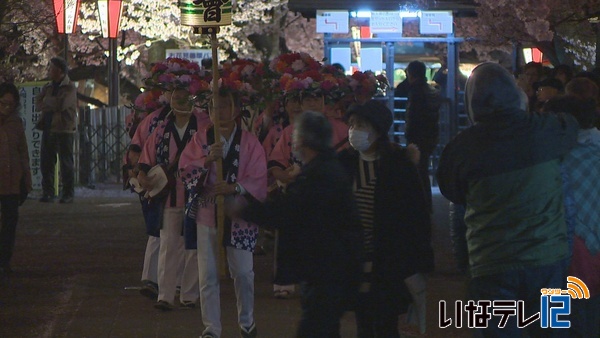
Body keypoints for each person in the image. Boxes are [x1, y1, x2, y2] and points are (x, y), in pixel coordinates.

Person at [436, 62, 579, 337]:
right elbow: (571, 125)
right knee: (552, 331)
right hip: (548, 261)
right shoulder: (546, 130)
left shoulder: (461, 149)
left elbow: (451, 191)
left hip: (490, 264)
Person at [240, 111, 362, 338]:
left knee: (316, 328)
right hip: (327, 268)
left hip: (325, 270)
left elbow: (288, 212)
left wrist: (245, 210)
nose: (293, 142)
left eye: (296, 136)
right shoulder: (325, 169)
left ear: (305, 141)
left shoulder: (319, 176)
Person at [338, 100, 434, 337]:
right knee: (363, 322)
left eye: (360, 124)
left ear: (377, 129)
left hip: (388, 261)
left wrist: (418, 262)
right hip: (355, 262)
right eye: (351, 124)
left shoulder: (398, 165)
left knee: (384, 323)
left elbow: (416, 215)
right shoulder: (344, 164)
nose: (354, 130)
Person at [179, 91, 267, 338]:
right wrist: (207, 161)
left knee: (243, 272)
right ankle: (211, 328)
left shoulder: (249, 142)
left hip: (240, 213)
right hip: (208, 212)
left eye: (226, 106)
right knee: (207, 274)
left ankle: (247, 321)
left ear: (236, 109)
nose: (220, 112)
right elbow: (185, 172)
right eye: (215, 107)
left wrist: (235, 187)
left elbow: (259, 176)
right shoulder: (200, 140)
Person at [137, 86, 209, 311]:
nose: (181, 102)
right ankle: (165, 295)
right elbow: (145, 161)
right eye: (177, 98)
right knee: (168, 243)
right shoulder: (160, 130)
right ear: (170, 100)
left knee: (195, 245)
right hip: (169, 195)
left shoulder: (205, 126)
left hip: (197, 194)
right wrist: (143, 176)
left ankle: (189, 294)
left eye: (186, 98)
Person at [543, 95, 600, 337]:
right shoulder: (594, 152)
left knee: (557, 321)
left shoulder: (550, 158)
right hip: (591, 248)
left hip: (559, 248)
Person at [35, 57, 77, 203]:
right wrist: (50, 102)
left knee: (66, 163)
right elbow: (38, 102)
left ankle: (68, 193)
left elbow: (62, 104)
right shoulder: (48, 87)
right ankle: (48, 192)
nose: (49, 71)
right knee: (46, 162)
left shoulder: (70, 87)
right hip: (48, 127)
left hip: (64, 129)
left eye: (51, 68)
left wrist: (48, 102)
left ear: (59, 71)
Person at [0, 83, 32, 276]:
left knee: (10, 223)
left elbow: (23, 152)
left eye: (11, 105)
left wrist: (26, 179)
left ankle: (4, 261)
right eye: (3, 103)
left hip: (12, 181)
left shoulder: (16, 123)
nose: (7, 108)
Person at [404, 60, 442, 210]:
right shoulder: (430, 90)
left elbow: (413, 117)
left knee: (418, 172)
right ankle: (426, 204)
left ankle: (421, 205)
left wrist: (408, 137)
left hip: (417, 137)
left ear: (411, 74)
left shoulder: (415, 92)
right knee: (423, 170)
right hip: (430, 136)